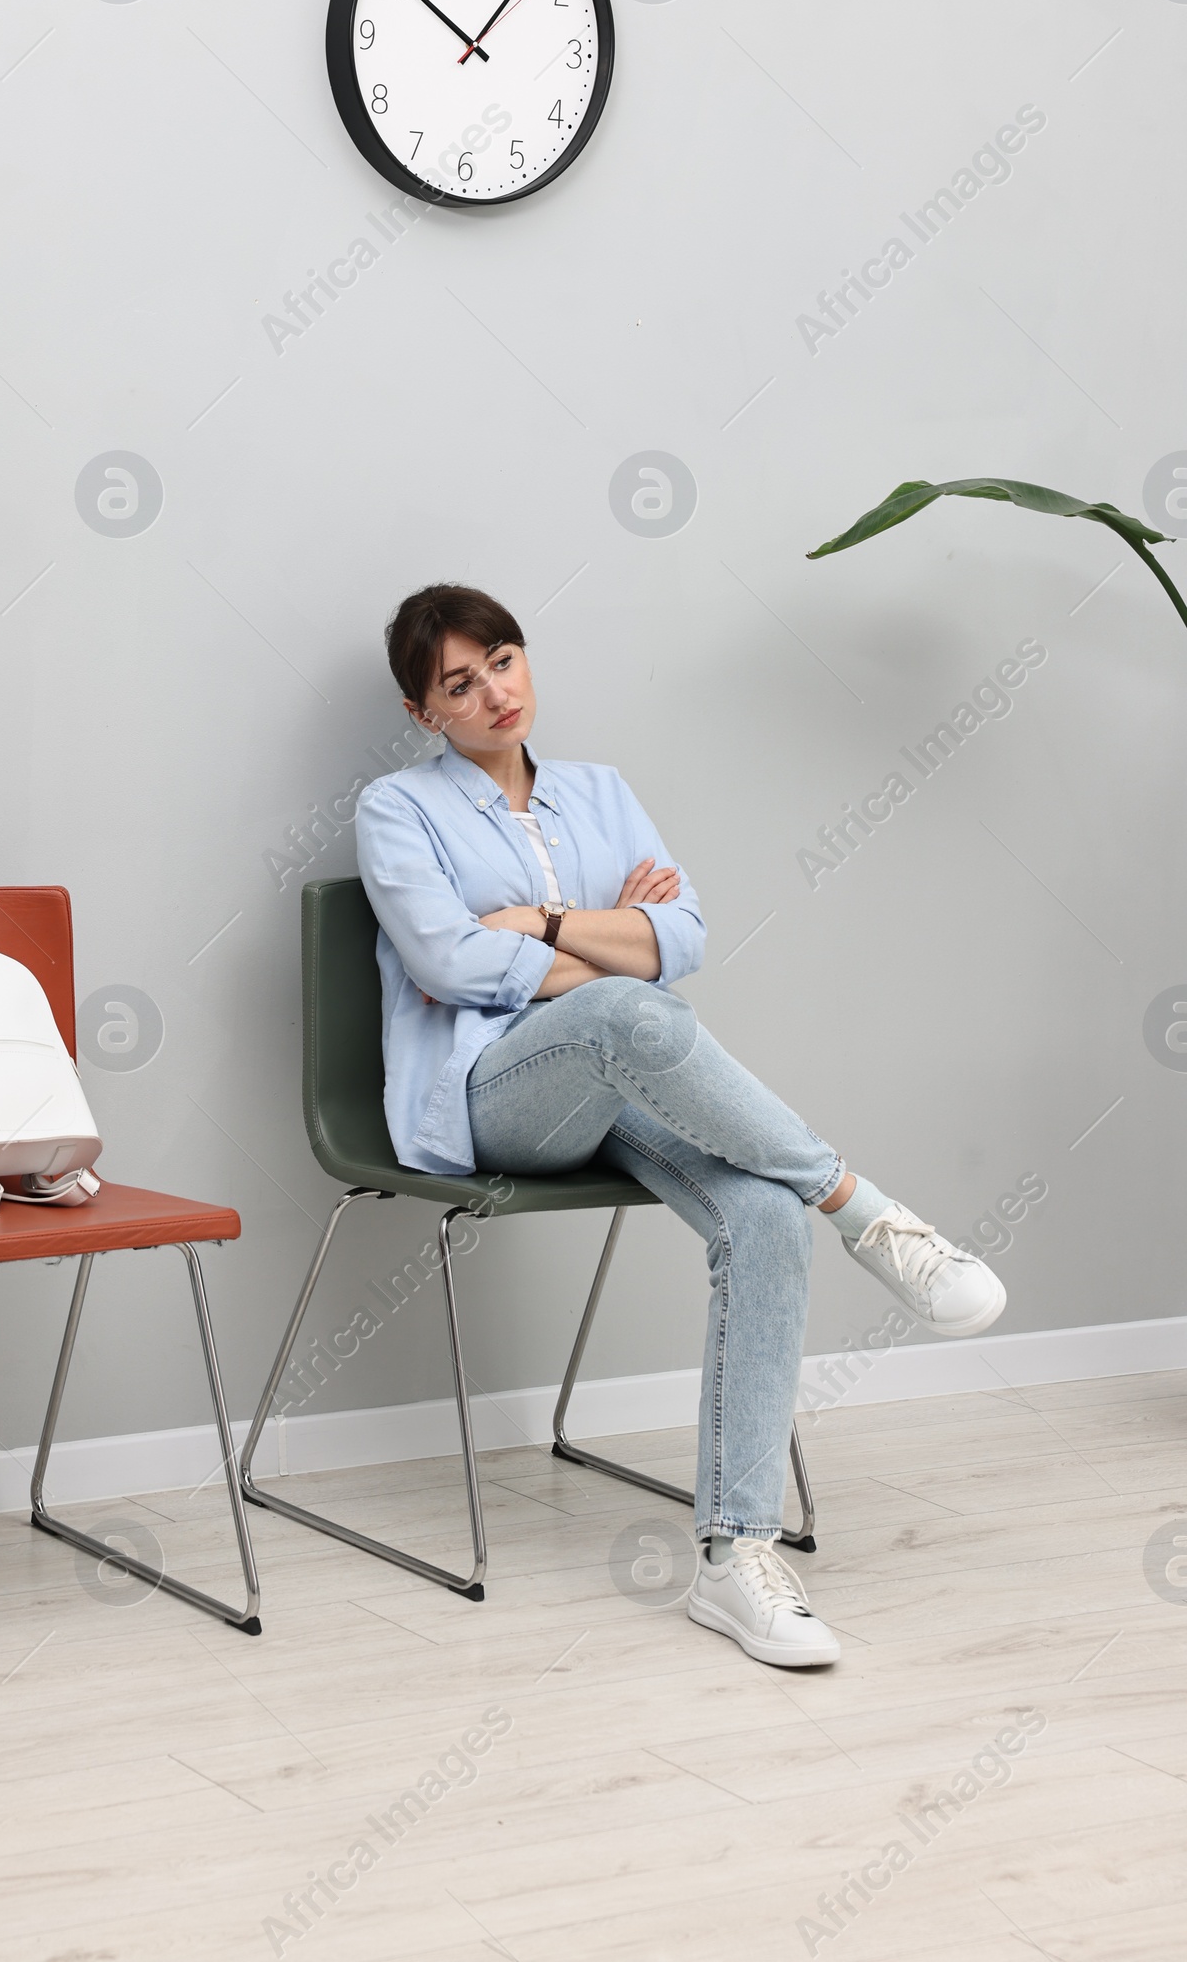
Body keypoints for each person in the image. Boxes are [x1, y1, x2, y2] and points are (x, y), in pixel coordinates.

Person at [354, 583, 1006, 1670]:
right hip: (488, 1101)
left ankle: (732, 1557)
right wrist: (607, 947)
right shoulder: (396, 810)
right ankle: (867, 1208)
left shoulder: (599, 791)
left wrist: (541, 921)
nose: (492, 692)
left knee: (759, 1213)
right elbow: (448, 961)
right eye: (458, 684)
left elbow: (685, 936)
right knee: (626, 1009)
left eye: (502, 660)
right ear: (428, 713)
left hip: (615, 1087)